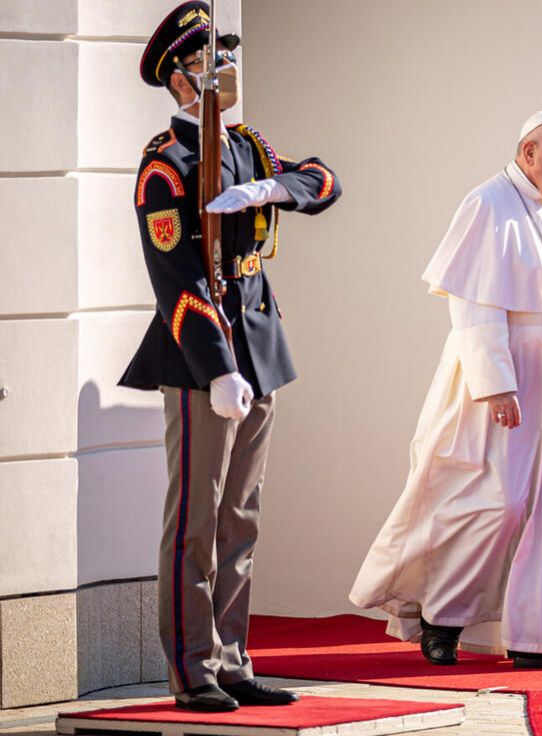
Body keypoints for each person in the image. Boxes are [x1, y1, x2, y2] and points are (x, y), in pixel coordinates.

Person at [350, 111, 542, 670]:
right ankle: (442, 614)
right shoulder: (487, 203)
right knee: (497, 502)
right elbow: (475, 307)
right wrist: (496, 384)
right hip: (506, 388)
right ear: (529, 150)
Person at [121, 1, 342, 712]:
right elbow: (174, 280)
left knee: (241, 515)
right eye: (210, 60)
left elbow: (324, 179)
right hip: (199, 358)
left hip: (259, 345)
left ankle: (234, 657)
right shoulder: (165, 167)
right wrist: (215, 366)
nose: (226, 69)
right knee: (196, 519)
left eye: (225, 57)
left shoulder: (245, 145)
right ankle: (192, 668)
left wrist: (274, 187)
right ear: (180, 81)